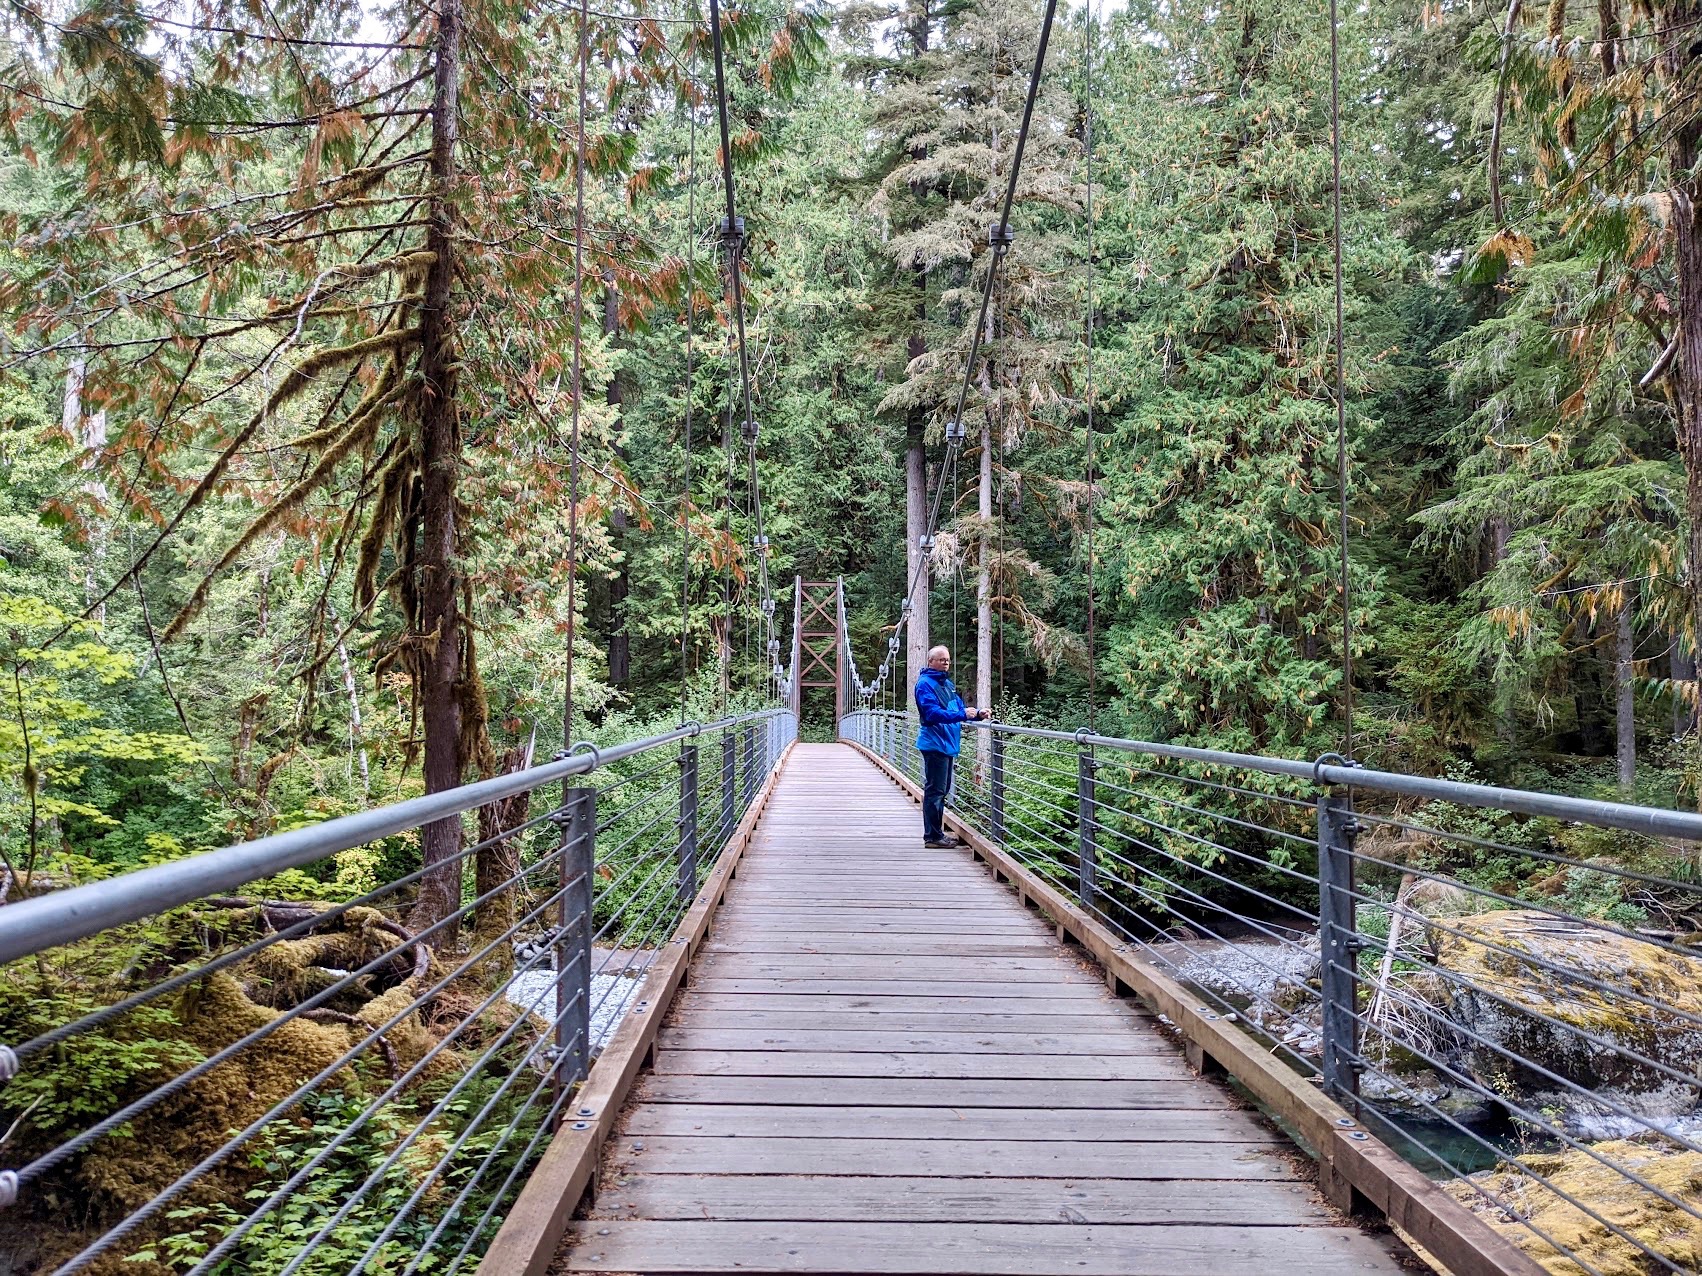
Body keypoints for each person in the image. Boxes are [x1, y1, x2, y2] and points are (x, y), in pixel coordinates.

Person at [913, 645, 989, 848]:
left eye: (947, 660)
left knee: (941, 789)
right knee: (936, 791)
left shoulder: (947, 684)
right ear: (931, 661)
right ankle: (933, 836)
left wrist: (977, 714)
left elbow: (957, 709)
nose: (946, 663)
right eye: (941, 660)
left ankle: (936, 834)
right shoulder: (925, 685)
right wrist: (964, 715)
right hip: (934, 743)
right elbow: (932, 714)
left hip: (946, 743)